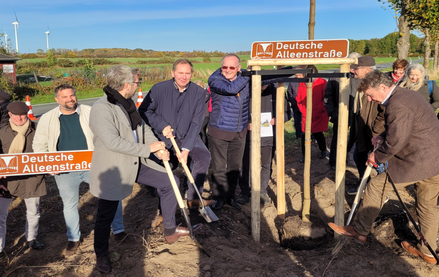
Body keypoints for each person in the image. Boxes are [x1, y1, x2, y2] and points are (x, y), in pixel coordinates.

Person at [90, 65, 198, 274]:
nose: (139, 86)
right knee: (106, 213)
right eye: (138, 82)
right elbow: (112, 142)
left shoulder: (127, 104)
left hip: (137, 162)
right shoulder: (102, 108)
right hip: (115, 166)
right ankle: (101, 254)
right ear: (127, 85)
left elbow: (143, 129)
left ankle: (170, 230)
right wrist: (147, 148)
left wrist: (157, 148)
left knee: (171, 182)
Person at [329, 70, 439, 265]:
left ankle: (359, 230)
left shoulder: (398, 103)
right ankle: (428, 252)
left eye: (371, 95)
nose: (370, 100)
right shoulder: (407, 96)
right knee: (428, 206)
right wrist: (383, 137)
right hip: (434, 160)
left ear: (383, 87)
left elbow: (397, 139)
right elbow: (404, 128)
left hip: (417, 160)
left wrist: (377, 156)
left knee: (376, 187)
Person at [33, 84, 125, 256]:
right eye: (65, 97)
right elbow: (39, 145)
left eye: (72, 95)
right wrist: (48, 164)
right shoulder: (47, 118)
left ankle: (119, 230)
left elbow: (106, 134)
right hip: (64, 169)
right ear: (57, 99)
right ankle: (73, 238)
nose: (70, 99)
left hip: (94, 164)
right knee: (70, 204)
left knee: (111, 196)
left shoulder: (90, 112)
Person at [139, 59, 213, 209]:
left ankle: (194, 199)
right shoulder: (158, 89)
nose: (184, 77)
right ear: (173, 73)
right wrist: (161, 126)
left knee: (204, 156)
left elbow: (196, 123)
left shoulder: (199, 93)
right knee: (167, 166)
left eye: (187, 73)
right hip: (165, 137)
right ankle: (163, 209)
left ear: (192, 74)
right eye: (180, 73)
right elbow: (144, 110)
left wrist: (186, 149)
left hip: (187, 135)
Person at [0, 102, 46, 256]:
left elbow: (48, 151)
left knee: (33, 212)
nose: (20, 118)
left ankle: (32, 239)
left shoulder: (38, 130)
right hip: (7, 181)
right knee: (1, 215)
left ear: (27, 114)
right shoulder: (2, 132)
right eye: (16, 114)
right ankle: (0, 247)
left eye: (23, 114)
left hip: (32, 179)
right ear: (10, 115)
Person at [207, 54, 251, 210]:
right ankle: (219, 198)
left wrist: (289, 68)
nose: (227, 70)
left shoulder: (244, 77)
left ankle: (230, 197)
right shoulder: (215, 80)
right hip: (219, 131)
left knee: (234, 168)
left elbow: (265, 79)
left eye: (232, 67)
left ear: (238, 68)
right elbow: (231, 89)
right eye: (224, 67)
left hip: (239, 132)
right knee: (219, 167)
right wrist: (248, 73)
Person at [237, 83, 290, 206]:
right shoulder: (246, 92)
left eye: (265, 83)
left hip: (268, 136)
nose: (262, 86)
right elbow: (238, 112)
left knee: (266, 164)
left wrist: (279, 119)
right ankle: (245, 191)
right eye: (260, 83)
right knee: (245, 164)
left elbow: (287, 112)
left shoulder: (278, 92)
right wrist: (246, 123)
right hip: (249, 136)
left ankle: (261, 191)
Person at [347, 56, 385, 195]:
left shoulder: (378, 84)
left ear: (367, 69)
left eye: (356, 68)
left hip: (375, 132)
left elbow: (384, 111)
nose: (353, 70)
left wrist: (376, 130)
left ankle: (382, 192)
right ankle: (365, 184)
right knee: (359, 156)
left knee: (380, 163)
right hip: (362, 131)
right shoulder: (361, 83)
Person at [325, 52, 362, 170]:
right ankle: (334, 162)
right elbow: (328, 95)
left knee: (355, 138)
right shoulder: (337, 75)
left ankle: (349, 158)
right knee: (337, 138)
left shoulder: (361, 76)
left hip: (357, 113)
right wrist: (332, 112)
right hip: (339, 113)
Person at [295, 65, 329, 163]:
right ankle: (305, 155)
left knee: (318, 133)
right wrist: (302, 109)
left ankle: (323, 150)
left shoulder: (322, 82)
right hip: (306, 114)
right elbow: (299, 98)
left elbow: (326, 98)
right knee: (304, 135)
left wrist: (321, 109)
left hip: (318, 114)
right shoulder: (303, 83)